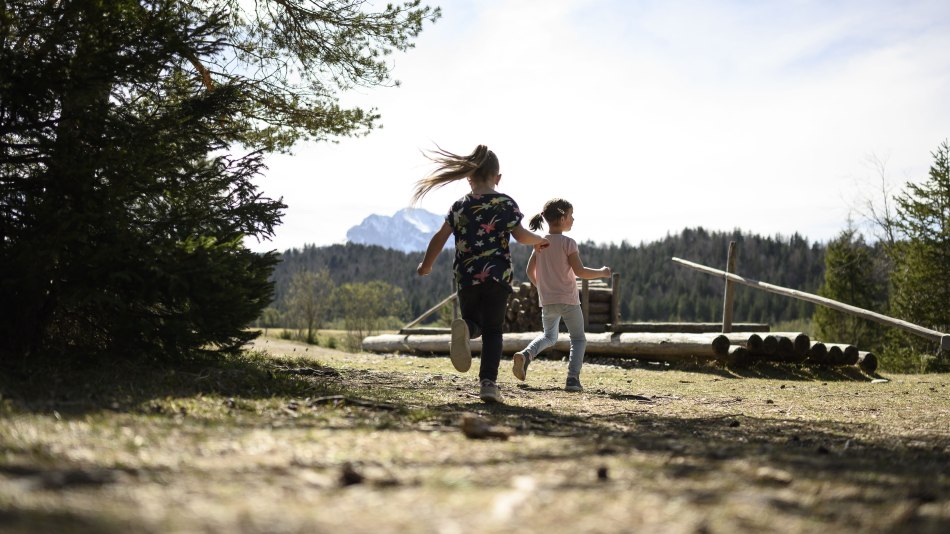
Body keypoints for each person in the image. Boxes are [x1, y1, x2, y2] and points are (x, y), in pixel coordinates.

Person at [414, 145, 549, 404]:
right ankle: (488, 383)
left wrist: (426, 264)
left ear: (469, 177)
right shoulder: (504, 203)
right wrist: (539, 240)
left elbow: (440, 237)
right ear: (497, 177)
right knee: (493, 330)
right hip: (497, 278)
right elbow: (520, 236)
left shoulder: (459, 206)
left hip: (466, 277)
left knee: (473, 323)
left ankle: (465, 328)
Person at [512, 198, 611, 392]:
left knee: (549, 336)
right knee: (578, 339)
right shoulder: (568, 243)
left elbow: (529, 271)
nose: (573, 219)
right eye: (571, 215)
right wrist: (602, 272)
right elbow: (580, 272)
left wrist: (541, 287)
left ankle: (526, 355)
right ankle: (572, 379)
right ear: (564, 217)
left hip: (547, 300)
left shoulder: (540, 243)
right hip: (568, 300)